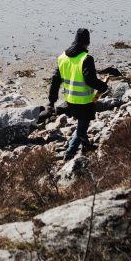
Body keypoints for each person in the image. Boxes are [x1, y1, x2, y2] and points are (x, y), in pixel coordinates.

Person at [48, 28, 108, 161]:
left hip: (70, 100)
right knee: (81, 128)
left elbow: (55, 80)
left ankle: (86, 146)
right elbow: (89, 79)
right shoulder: (86, 59)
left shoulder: (62, 57)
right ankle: (69, 154)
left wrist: (51, 100)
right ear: (87, 42)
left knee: (82, 123)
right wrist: (103, 86)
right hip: (85, 101)